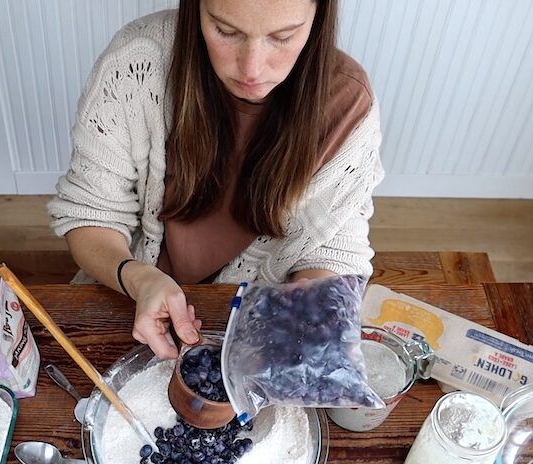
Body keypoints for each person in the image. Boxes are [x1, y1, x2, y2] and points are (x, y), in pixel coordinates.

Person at [48, 0, 383, 359]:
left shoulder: (346, 101)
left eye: (283, 36)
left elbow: (335, 244)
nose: (252, 68)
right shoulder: (137, 61)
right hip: (126, 300)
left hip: (261, 335)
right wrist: (138, 277)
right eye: (226, 31)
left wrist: (309, 302)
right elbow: (90, 213)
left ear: (319, 18)